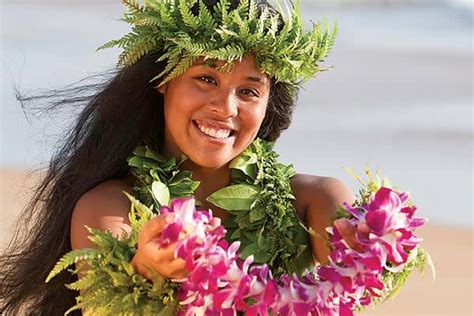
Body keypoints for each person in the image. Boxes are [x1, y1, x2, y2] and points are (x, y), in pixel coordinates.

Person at [0, 0, 360, 314]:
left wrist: (371, 239)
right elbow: (105, 305)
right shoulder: (108, 207)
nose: (225, 107)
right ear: (164, 78)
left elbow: (354, 274)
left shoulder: (314, 202)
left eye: (249, 90)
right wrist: (144, 266)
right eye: (206, 78)